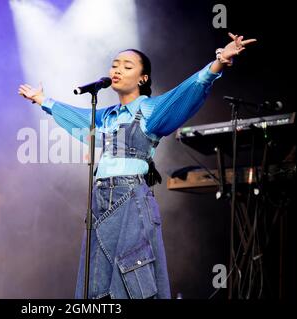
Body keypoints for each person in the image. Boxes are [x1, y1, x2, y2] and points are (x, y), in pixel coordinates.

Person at [18, 33, 256, 299]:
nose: (118, 69)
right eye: (115, 65)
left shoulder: (150, 111)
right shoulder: (106, 115)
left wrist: (219, 62)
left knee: (132, 273)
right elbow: (77, 117)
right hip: (100, 202)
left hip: (130, 199)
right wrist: (43, 101)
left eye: (127, 66)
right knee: (97, 285)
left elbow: (187, 91)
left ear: (143, 78)